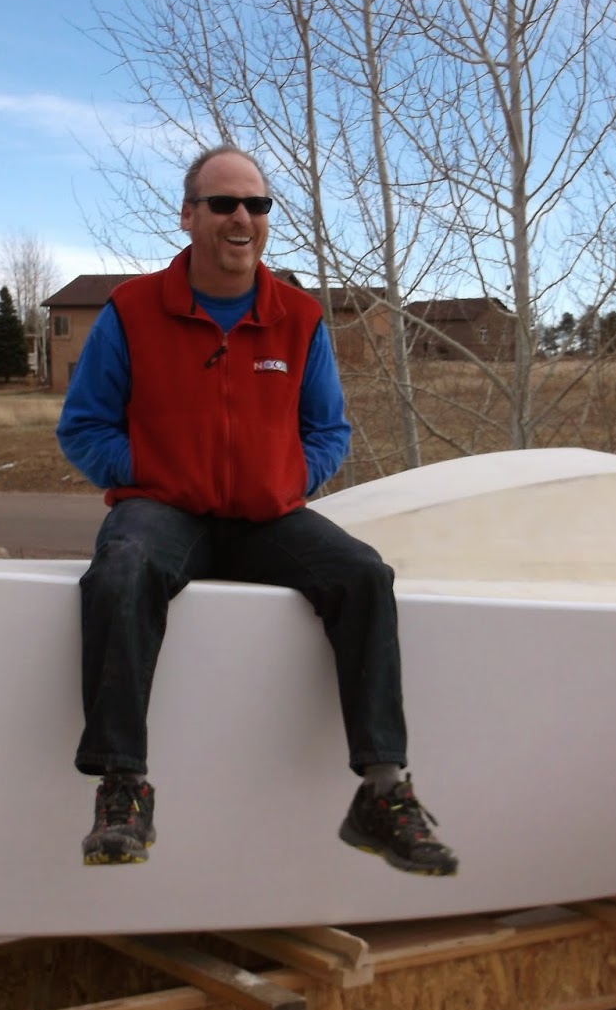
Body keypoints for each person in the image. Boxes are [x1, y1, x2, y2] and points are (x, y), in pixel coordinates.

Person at [56, 143, 458, 877]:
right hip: (165, 513)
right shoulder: (132, 312)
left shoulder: (298, 319)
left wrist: (285, 478)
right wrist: (150, 473)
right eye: (223, 203)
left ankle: (381, 790)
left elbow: (328, 429)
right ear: (188, 216)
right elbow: (82, 428)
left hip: (266, 519)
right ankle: (122, 786)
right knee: (122, 567)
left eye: (257, 204)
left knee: (364, 574)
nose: (243, 218)